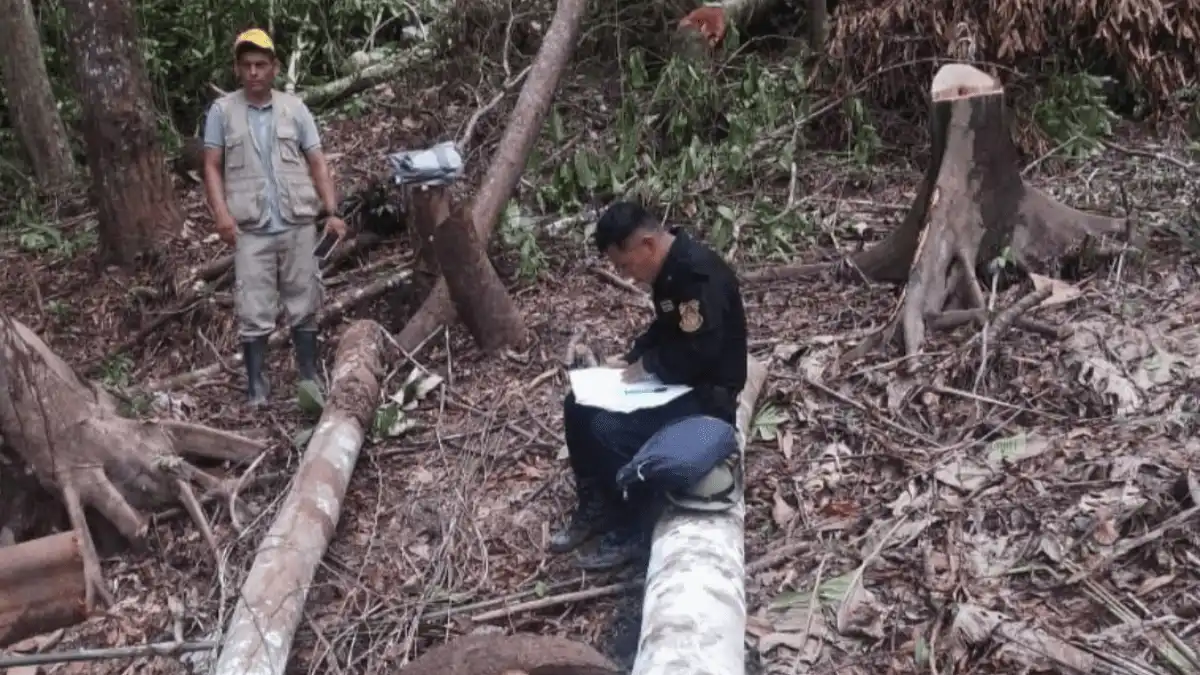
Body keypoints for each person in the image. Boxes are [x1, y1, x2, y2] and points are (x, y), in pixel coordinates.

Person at [552, 201, 748, 570]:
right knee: (577, 406)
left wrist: (650, 366)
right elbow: (667, 327)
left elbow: (700, 351)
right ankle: (596, 506)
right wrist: (633, 357)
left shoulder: (698, 275)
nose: (626, 276)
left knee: (608, 428)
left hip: (706, 398)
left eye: (625, 266)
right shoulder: (669, 273)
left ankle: (633, 527)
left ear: (647, 244)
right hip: (674, 384)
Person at [201, 28, 347, 407]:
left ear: (274, 68)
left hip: (297, 222)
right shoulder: (222, 113)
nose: (254, 72)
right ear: (237, 69)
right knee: (253, 306)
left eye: (261, 65)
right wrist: (221, 216)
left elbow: (317, 160)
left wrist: (331, 212)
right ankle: (256, 386)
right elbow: (212, 167)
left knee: (304, 299)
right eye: (247, 65)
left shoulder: (294, 109)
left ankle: (309, 378)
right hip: (250, 227)